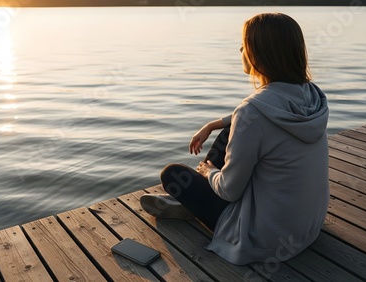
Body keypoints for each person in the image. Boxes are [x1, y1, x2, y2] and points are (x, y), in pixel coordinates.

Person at [140, 12, 329, 265]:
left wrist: (208, 171)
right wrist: (214, 124)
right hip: (305, 226)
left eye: (244, 44)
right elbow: (265, 116)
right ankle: (191, 202)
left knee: (172, 175)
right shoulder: (313, 97)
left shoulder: (252, 112)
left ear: (258, 54)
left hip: (265, 237)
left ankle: (190, 203)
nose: (240, 49)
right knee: (230, 132)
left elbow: (229, 191)